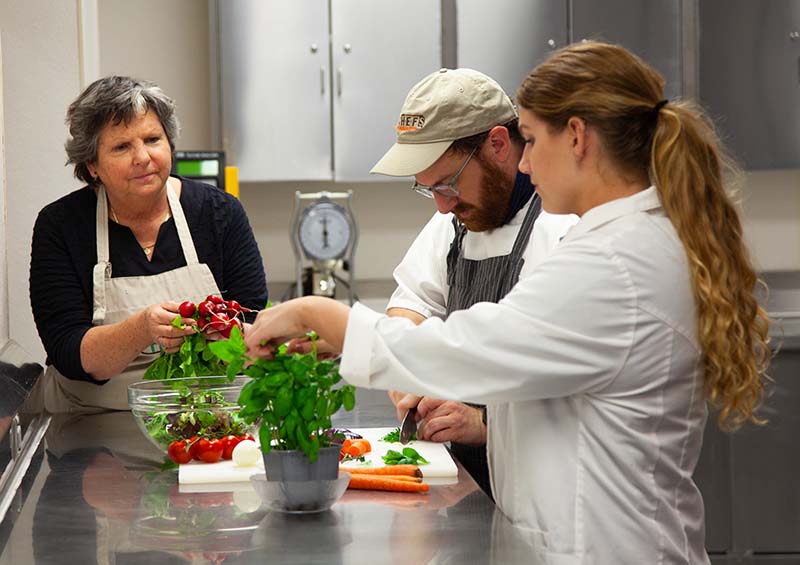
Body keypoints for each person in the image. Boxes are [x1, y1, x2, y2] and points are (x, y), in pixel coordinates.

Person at [243, 41, 771, 563]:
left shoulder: (615, 263)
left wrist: (320, 316)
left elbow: (471, 351)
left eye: (533, 140)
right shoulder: (617, 242)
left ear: (578, 138)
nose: (526, 164)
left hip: (611, 546)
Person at [370, 68, 577, 496]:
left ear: (498, 145)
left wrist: (484, 423)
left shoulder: (563, 226)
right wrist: (409, 371)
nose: (443, 207)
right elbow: (411, 301)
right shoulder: (456, 220)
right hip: (469, 480)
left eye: (448, 184)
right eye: (428, 190)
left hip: (543, 484)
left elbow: (570, 391)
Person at [28, 76, 267, 413]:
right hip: (92, 423)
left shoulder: (220, 213)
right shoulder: (60, 225)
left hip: (205, 413)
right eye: (121, 147)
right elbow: (68, 350)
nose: (142, 157)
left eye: (153, 139)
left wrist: (223, 331)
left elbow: (253, 321)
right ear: (92, 165)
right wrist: (142, 329)